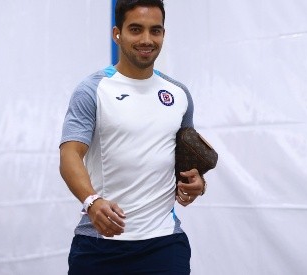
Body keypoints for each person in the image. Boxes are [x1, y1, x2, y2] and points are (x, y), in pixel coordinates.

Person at [59, 0, 206, 274]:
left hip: (164, 244)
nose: (147, 40)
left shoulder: (178, 94)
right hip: (100, 246)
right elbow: (70, 155)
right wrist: (91, 201)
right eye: (136, 29)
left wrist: (197, 182)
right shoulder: (93, 89)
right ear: (117, 33)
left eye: (155, 30)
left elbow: (184, 161)